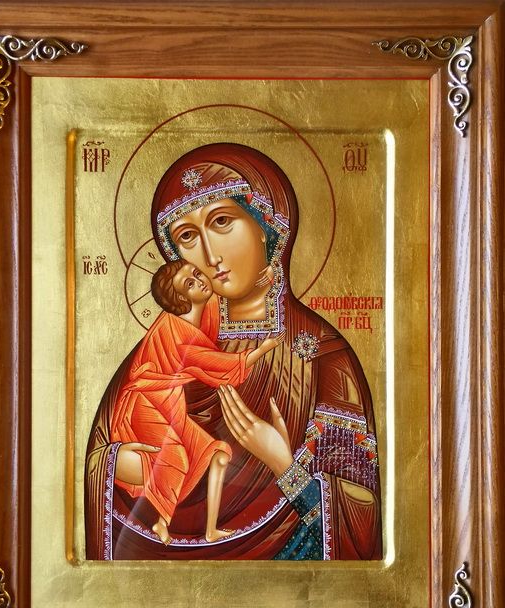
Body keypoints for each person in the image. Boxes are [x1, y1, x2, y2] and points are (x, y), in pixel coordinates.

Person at [85, 142, 382, 561]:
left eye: (222, 221)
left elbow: (362, 527)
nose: (210, 256)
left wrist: (284, 467)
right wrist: (121, 465)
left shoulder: (322, 358)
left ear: (265, 224)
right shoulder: (161, 350)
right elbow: (102, 464)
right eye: (187, 237)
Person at [110, 258, 283, 545]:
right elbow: (223, 365)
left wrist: (258, 280)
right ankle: (162, 522)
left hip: (169, 400)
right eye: (189, 284)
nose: (200, 281)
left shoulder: (207, 305)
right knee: (174, 457)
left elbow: (232, 295)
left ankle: (210, 530)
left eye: (196, 273)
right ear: (181, 299)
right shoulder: (180, 336)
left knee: (219, 454)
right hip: (146, 402)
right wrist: (264, 348)